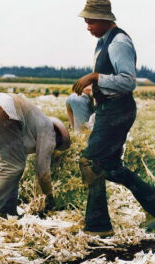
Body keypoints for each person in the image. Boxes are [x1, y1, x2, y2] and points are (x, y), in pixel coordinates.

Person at [73, 0, 155, 237]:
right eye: (86, 21)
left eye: (90, 21)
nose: (87, 26)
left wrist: (95, 77)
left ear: (105, 19)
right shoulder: (103, 42)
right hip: (109, 109)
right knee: (110, 168)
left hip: (118, 109)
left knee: (90, 162)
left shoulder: (119, 43)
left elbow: (128, 82)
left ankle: (99, 227)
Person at [0, 92, 70, 225]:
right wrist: (50, 198)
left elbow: (4, 158)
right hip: (5, 108)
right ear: (58, 138)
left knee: (11, 166)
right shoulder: (50, 131)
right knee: (13, 166)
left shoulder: (34, 123)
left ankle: (8, 210)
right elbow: (43, 173)